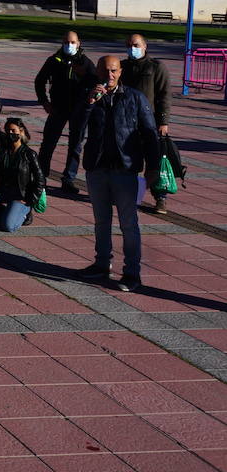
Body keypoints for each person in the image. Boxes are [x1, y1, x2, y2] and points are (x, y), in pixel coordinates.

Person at [79, 55, 160, 293]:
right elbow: (77, 126)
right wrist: (90, 103)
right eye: (105, 71)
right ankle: (102, 264)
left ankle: (132, 273)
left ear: (120, 71)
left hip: (125, 169)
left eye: (113, 71)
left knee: (128, 223)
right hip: (97, 168)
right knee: (101, 221)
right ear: (98, 72)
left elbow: (150, 134)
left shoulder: (135, 98)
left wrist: (152, 167)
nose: (109, 76)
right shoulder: (90, 96)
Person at [34, 30, 98, 195]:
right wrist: (44, 102)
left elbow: (95, 84)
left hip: (79, 110)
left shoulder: (86, 63)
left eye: (72, 42)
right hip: (58, 108)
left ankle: (68, 179)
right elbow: (40, 81)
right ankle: (41, 176)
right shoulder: (54, 60)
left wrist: (90, 99)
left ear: (79, 43)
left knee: (75, 146)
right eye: (66, 42)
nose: (69, 45)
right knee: (48, 143)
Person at [121, 33, 172, 213]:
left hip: (149, 123)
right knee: (129, 160)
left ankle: (160, 198)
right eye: (128, 45)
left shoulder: (156, 67)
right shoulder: (122, 67)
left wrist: (163, 121)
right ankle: (130, 194)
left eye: (135, 45)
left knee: (155, 161)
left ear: (145, 46)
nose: (132, 48)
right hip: (126, 123)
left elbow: (164, 95)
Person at [0, 118, 44, 233]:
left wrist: (31, 200)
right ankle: (5, 209)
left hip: (21, 197)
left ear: (21, 131)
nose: (10, 133)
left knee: (8, 226)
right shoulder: (4, 151)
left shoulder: (29, 154)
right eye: (8, 131)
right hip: (4, 192)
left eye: (13, 131)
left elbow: (40, 180)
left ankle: (25, 213)